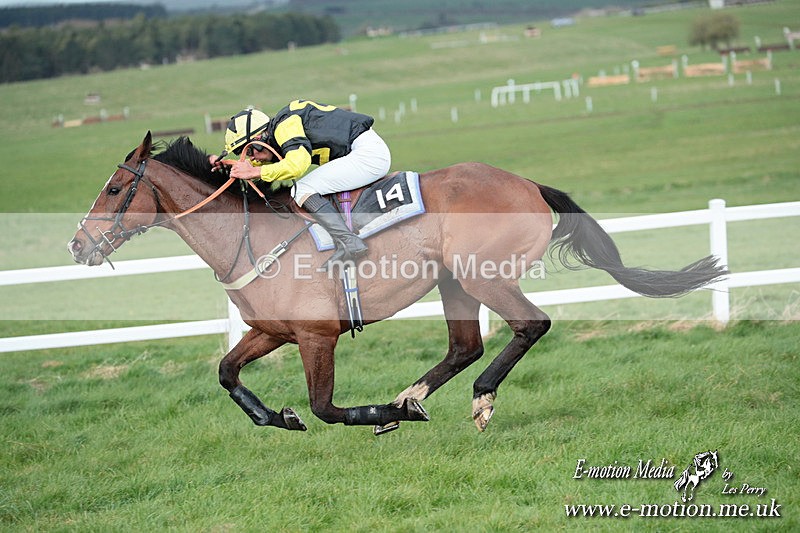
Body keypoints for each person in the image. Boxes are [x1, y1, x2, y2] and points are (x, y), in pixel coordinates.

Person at [209, 100, 391, 266]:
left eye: (248, 151)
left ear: (259, 139)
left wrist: (256, 171)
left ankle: (350, 243)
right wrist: (230, 165)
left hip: (368, 154)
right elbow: (269, 158)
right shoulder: (278, 130)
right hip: (362, 150)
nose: (252, 158)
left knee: (302, 188)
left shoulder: (285, 126)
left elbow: (297, 165)